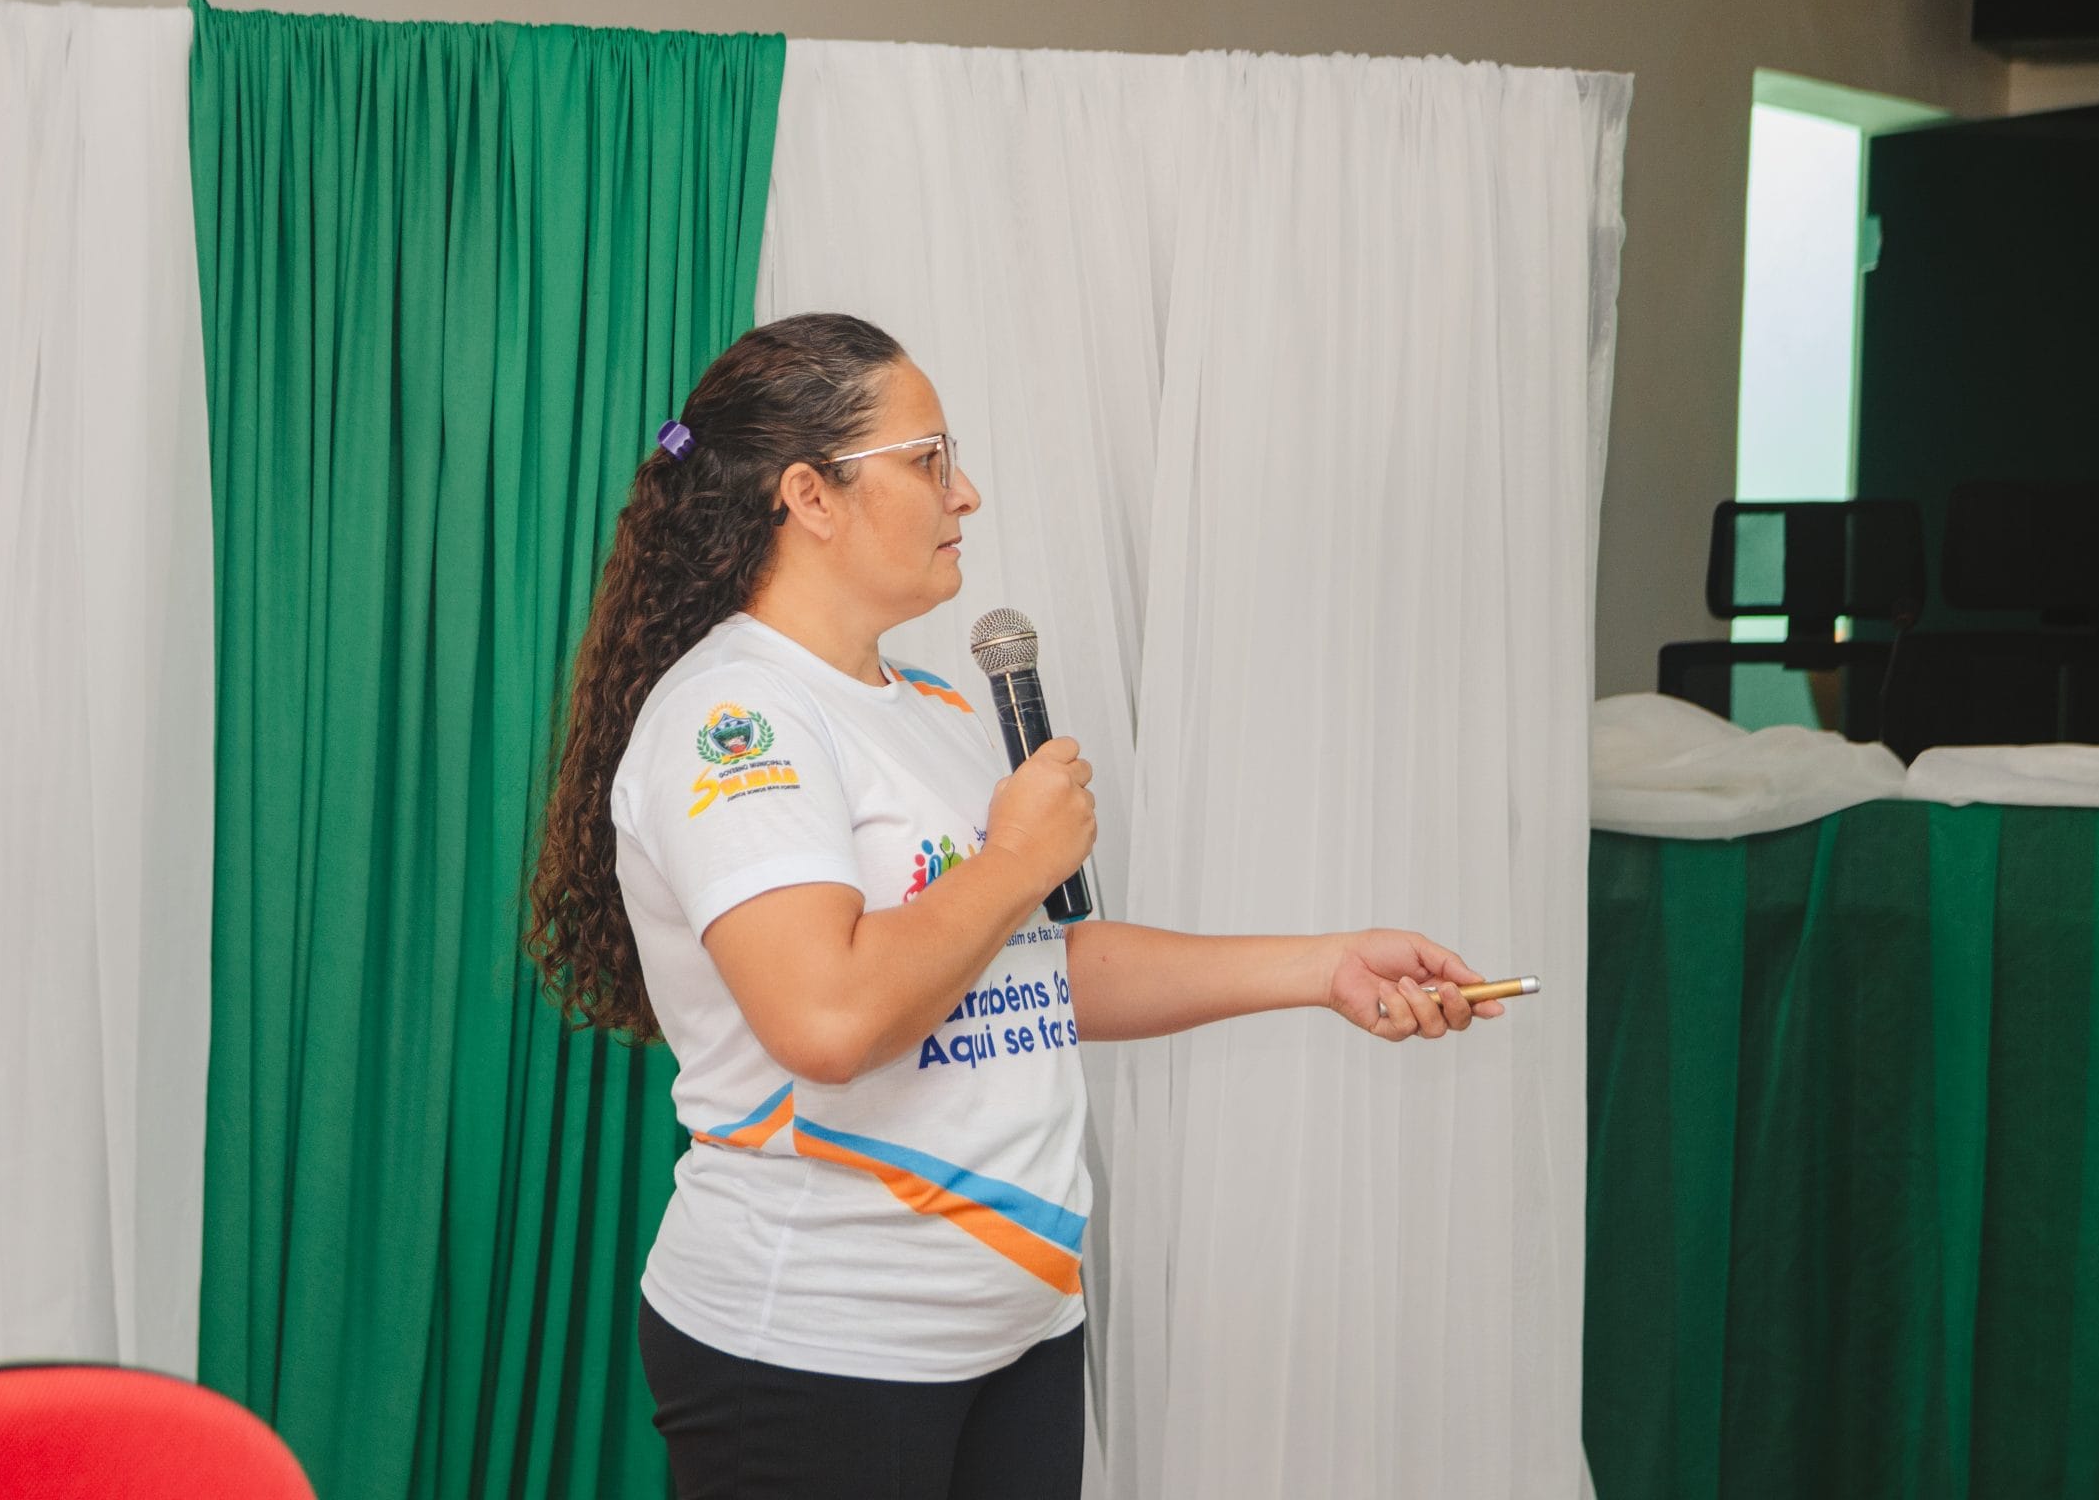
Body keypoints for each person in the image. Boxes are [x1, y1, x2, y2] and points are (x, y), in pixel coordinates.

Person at [526, 313, 1501, 1499]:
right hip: (822, 1344)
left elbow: (1030, 968)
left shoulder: (934, 706)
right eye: (928, 458)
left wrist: (1323, 966)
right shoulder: (733, 720)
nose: (965, 492)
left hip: (1018, 1325)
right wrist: (1013, 859)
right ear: (810, 495)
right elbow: (826, 1019)